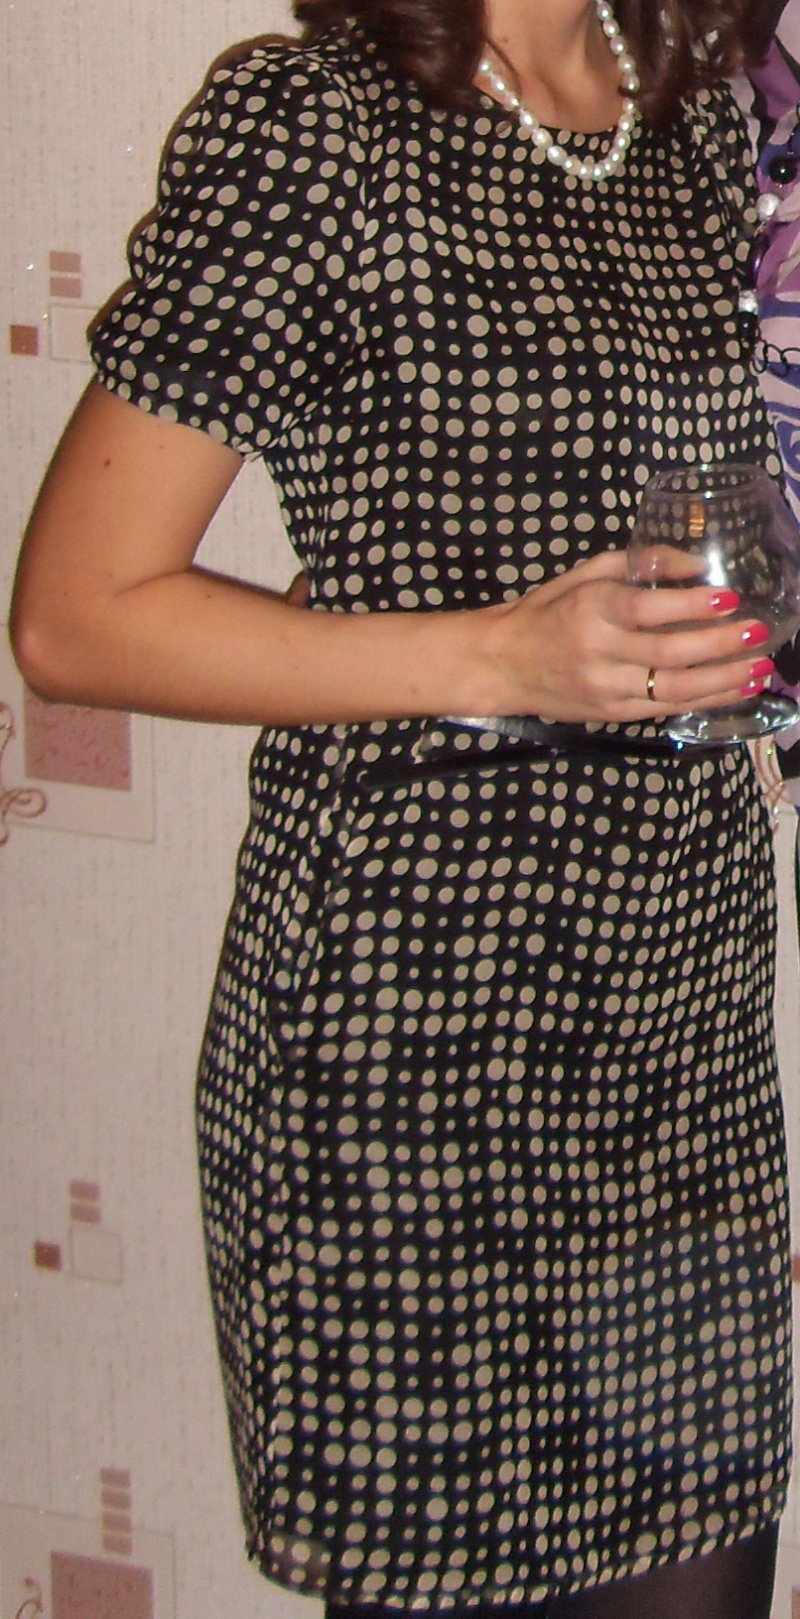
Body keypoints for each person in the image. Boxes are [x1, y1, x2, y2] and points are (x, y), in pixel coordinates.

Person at [9, 1, 793, 1615]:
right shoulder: (318, 124)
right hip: (413, 1035)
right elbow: (75, 616)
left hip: (676, 1023)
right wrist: (496, 653)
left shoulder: (700, 125)